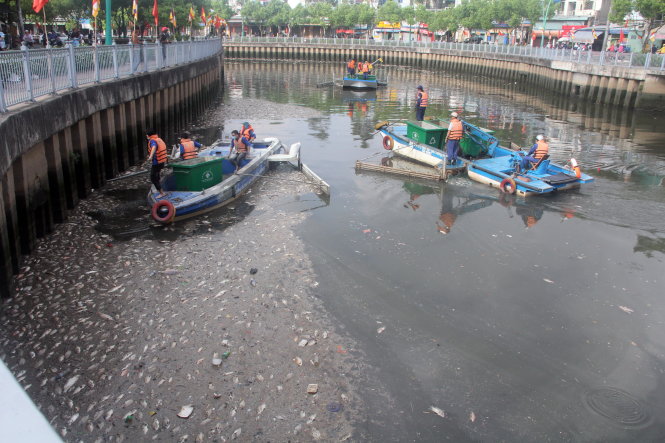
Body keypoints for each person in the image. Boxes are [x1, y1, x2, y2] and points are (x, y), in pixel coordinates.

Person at [145, 130, 168, 197]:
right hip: (162, 161)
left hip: (157, 162)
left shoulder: (152, 141)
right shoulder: (158, 139)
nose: (146, 136)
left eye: (147, 135)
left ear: (150, 135)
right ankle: (160, 188)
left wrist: (150, 156)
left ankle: (162, 193)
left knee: (153, 178)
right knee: (157, 175)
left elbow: (154, 147)